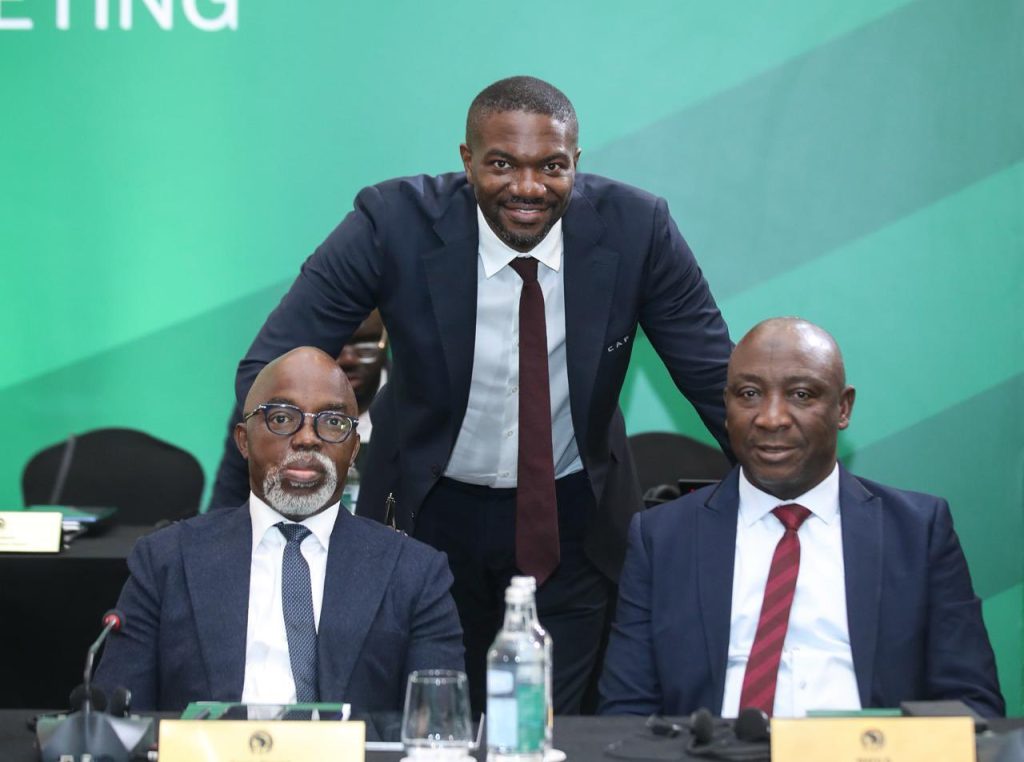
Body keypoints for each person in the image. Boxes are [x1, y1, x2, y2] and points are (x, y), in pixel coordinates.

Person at [216, 75, 734, 714]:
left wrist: (787, 511)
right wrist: (223, 537)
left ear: (577, 162)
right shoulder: (392, 222)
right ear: (466, 162)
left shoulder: (637, 228)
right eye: (501, 164)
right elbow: (268, 373)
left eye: (551, 167)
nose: (526, 187)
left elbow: (719, 384)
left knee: (553, 734)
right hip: (423, 520)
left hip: (571, 521)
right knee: (431, 726)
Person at [598, 318, 1005, 718]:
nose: (771, 418)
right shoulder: (662, 537)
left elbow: (972, 706)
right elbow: (625, 714)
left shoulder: (918, 531)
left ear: (842, 408)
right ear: (727, 406)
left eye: (802, 395)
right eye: (750, 393)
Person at [94, 347, 464, 712]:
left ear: (353, 450)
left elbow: (440, 733)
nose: (307, 438)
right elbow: (116, 725)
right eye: (283, 418)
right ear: (244, 439)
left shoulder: (415, 575)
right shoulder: (165, 562)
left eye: (332, 422)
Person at [209, 310, 388, 509]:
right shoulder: (265, 403)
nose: (348, 359)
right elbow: (228, 504)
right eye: (337, 345)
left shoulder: (414, 407)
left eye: (367, 345)